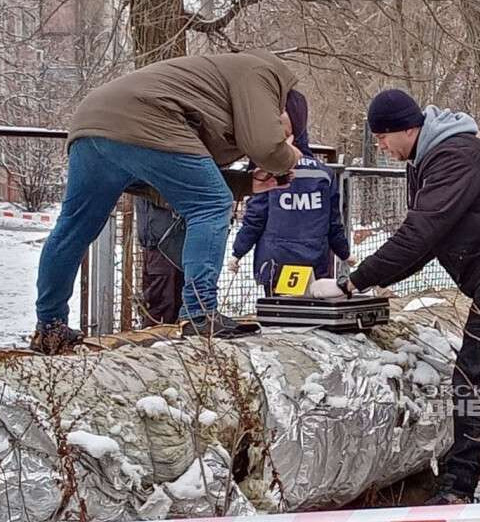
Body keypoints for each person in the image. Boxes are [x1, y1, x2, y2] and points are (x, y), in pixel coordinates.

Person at [310, 89, 480, 504]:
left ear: (409, 128)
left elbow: (419, 233)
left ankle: (458, 488)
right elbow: (425, 241)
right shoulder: (427, 157)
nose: (381, 146)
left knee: (473, 377)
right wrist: (375, 278)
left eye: (384, 136)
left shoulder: (451, 156)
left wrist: (351, 283)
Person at [33, 50, 302, 353]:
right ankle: (200, 313)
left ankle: (49, 327)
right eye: (286, 132)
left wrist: (246, 184)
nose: (282, 138)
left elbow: (172, 182)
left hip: (92, 124)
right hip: (145, 118)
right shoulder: (262, 71)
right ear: (284, 107)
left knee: (74, 228)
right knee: (213, 205)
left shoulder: (219, 93)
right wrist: (289, 156)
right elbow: (266, 146)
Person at [228, 90, 354, 291]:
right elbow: (333, 223)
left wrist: (238, 252)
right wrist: (345, 253)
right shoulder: (324, 174)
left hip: (276, 264)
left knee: (279, 315)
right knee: (312, 315)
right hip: (315, 264)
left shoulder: (266, 169)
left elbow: (256, 217)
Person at [135, 197, 185, 326]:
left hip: (169, 240)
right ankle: (154, 342)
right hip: (161, 242)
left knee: (174, 301)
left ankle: (162, 339)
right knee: (163, 303)